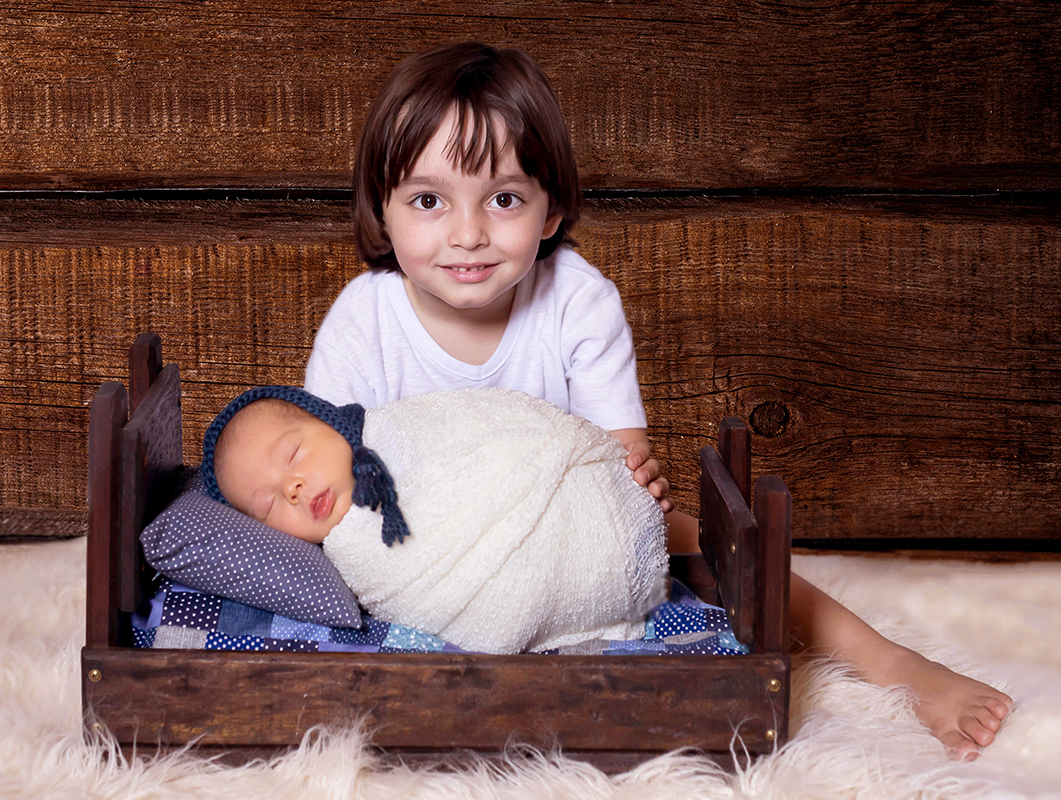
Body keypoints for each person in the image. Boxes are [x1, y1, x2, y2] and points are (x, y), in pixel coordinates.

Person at [300, 40, 1013, 758]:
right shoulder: (365, 321)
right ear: (383, 213)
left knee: (705, 539)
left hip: (570, 520)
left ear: (550, 213)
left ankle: (892, 662)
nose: (468, 232)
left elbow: (623, 460)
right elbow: (332, 468)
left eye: (505, 198)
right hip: (419, 528)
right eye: (428, 200)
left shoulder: (576, 299)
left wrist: (632, 480)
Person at [202, 384, 670, 654]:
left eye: (294, 453)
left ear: (328, 421)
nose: (293, 487)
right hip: (533, 584)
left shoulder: (399, 429)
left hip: (590, 510)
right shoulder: (347, 552)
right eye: (269, 506)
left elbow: (496, 428)